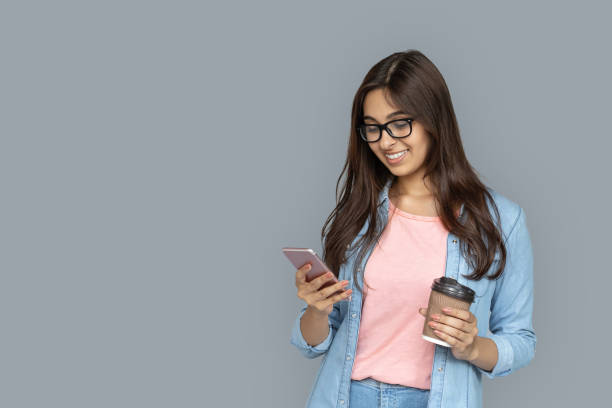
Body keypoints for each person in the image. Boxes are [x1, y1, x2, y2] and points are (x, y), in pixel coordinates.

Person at [289, 50, 536, 408]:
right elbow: (313, 342)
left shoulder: (500, 220)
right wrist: (317, 309)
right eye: (372, 127)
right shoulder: (359, 212)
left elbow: (521, 339)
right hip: (346, 397)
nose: (385, 141)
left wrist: (472, 346)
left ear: (434, 120)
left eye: (399, 123)